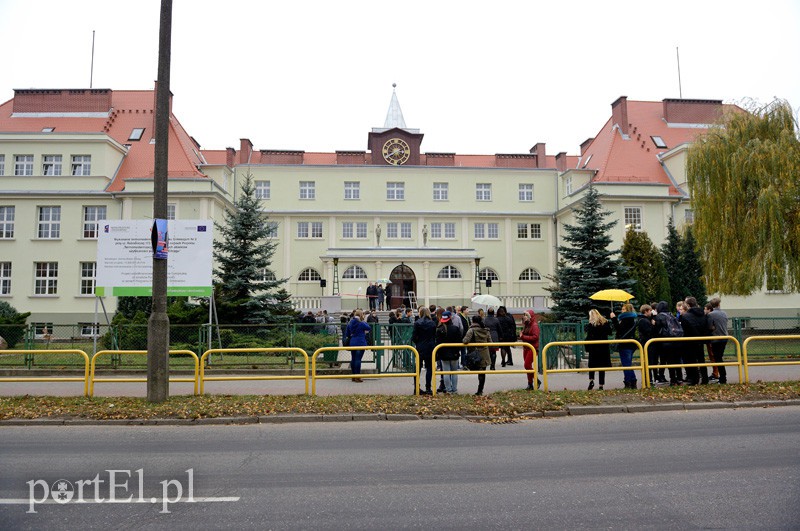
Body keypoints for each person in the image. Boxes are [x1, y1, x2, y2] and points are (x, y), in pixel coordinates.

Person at [679, 296, 710, 385]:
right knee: (701, 360)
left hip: (689, 341)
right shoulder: (703, 314)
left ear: (688, 305)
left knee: (691, 360)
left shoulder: (686, 316)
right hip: (700, 340)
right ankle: (705, 378)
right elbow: (706, 326)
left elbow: (684, 330)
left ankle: (694, 379)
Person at [611, 303, 639, 389]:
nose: (621, 311)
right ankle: (633, 381)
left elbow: (619, 330)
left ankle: (628, 382)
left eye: (623, 309)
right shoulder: (632, 319)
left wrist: (614, 319)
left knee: (626, 365)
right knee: (628, 364)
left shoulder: (626, 319)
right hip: (631, 344)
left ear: (627, 310)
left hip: (625, 345)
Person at [653, 301, 681, 385]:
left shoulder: (659, 317)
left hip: (664, 341)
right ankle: (677, 378)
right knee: (674, 360)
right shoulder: (671, 315)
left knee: (667, 361)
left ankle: (672, 379)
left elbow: (656, 330)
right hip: (674, 340)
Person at [463, 315, 491, 396]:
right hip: (485, 354)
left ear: (473, 321)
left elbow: (465, 340)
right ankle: (480, 390)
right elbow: (490, 341)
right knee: (482, 373)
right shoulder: (486, 330)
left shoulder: (471, 330)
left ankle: (479, 391)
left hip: (475, 354)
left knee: (476, 370)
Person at [586, 308, 613, 390]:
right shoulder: (605, 323)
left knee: (592, 365)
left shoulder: (591, 325)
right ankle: (601, 385)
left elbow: (589, 336)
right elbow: (610, 332)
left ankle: (591, 380)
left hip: (593, 347)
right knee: (602, 367)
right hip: (603, 347)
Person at [412, 307, 437, 394]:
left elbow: (414, 337)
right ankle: (428, 387)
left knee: (417, 367)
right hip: (430, 347)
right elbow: (434, 336)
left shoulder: (417, 323)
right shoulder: (432, 323)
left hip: (420, 347)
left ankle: (416, 387)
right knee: (429, 367)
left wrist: (418, 342)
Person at [435, 311, 462, 393]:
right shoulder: (455, 328)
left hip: (443, 353)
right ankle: (454, 389)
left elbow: (437, 342)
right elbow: (459, 340)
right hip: (454, 352)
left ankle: (448, 389)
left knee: (446, 372)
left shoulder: (439, 330)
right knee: (454, 372)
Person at [636, 304, 660, 384]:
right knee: (649, 361)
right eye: (650, 311)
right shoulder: (644, 321)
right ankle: (648, 379)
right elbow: (649, 332)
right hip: (647, 344)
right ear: (646, 311)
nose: (651, 312)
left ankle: (649, 379)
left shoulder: (643, 319)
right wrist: (653, 325)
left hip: (646, 343)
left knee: (649, 361)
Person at [707, 297, 728, 384]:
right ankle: (722, 377)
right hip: (725, 337)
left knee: (717, 358)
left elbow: (709, 327)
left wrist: (713, 328)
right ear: (719, 304)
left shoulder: (711, 315)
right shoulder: (724, 313)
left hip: (716, 338)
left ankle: (723, 377)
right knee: (719, 357)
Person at [346, 310, 371, 382]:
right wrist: (363, 321)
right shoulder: (361, 323)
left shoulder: (350, 322)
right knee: (358, 359)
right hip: (360, 342)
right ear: (361, 315)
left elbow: (347, 334)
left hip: (352, 342)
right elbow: (368, 327)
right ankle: (358, 376)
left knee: (353, 359)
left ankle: (353, 376)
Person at [519, 309, 540, 390]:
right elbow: (525, 335)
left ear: (530, 317)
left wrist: (523, 337)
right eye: (524, 315)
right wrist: (521, 335)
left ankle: (536, 380)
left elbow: (535, 337)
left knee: (527, 365)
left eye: (526, 315)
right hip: (526, 348)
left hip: (532, 348)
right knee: (528, 366)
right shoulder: (526, 325)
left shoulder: (534, 325)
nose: (524, 317)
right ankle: (530, 384)